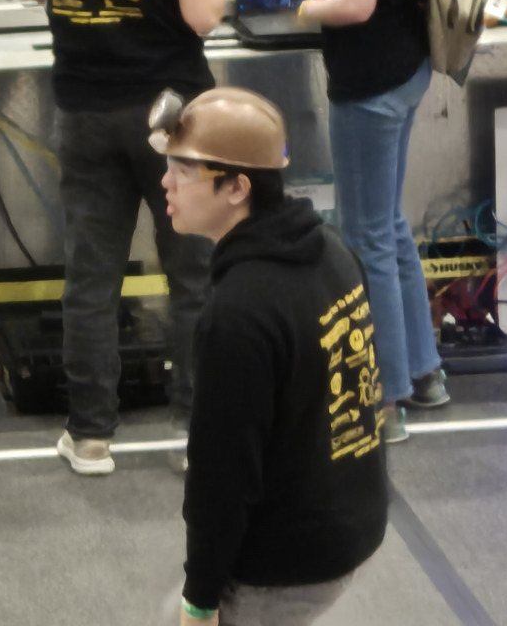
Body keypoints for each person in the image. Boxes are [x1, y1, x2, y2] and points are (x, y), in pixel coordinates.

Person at [12, 0, 226, 476]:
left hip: (84, 109)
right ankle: (197, 432)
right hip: (172, 115)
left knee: (91, 279)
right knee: (192, 276)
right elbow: (203, 16)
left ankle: (91, 434)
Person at [255, 0, 448, 445]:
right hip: (407, 68)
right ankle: (423, 372)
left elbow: (357, 3)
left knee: (366, 236)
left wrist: (298, 10)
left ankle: (384, 399)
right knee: (389, 226)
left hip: (369, 83)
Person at [147, 86, 388, 625]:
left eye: (183, 171)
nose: (166, 183)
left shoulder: (239, 314)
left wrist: (200, 600)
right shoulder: (333, 250)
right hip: (356, 518)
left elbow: (222, 476)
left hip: (290, 558)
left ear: (237, 187)